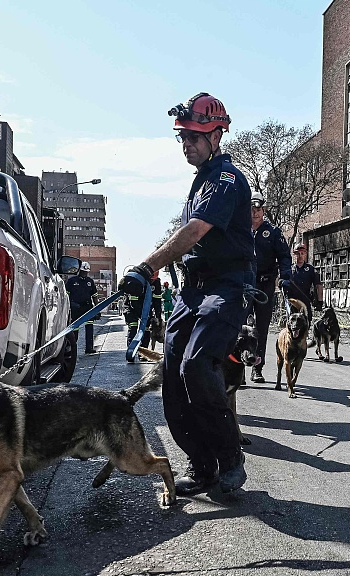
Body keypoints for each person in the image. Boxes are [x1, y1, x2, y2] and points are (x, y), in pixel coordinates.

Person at [118, 92, 252, 496]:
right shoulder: (200, 184)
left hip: (226, 289)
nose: (186, 145)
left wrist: (146, 266)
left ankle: (230, 459)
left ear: (216, 135)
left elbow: (194, 232)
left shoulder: (225, 180)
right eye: (182, 138)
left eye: (194, 137)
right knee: (173, 378)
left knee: (197, 365)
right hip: (191, 293)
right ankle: (201, 464)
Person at [249, 191, 291, 383]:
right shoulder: (239, 230)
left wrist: (285, 276)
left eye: (258, 209)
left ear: (263, 211)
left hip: (265, 284)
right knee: (239, 325)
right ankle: (238, 366)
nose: (255, 213)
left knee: (261, 328)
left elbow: (284, 256)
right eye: (252, 209)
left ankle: (257, 367)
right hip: (244, 284)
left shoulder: (272, 232)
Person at [123, 274, 162, 360]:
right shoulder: (136, 281)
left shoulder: (157, 283)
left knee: (147, 329)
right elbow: (133, 302)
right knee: (133, 327)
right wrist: (143, 316)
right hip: (131, 308)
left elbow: (157, 301)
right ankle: (131, 352)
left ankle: (143, 354)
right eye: (150, 280)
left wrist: (158, 317)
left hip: (146, 308)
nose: (151, 282)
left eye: (153, 280)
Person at [65, 261, 99, 354]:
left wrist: (97, 309)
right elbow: (66, 296)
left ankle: (89, 348)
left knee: (89, 327)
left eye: (86, 272)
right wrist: (68, 308)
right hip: (75, 307)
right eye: (83, 271)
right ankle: (72, 349)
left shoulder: (90, 282)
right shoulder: (72, 281)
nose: (84, 273)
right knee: (74, 329)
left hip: (87, 307)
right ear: (79, 270)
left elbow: (94, 296)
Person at [284, 243, 324, 318]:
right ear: (294, 255)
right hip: (292, 302)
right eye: (297, 253)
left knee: (306, 324)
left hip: (305, 301)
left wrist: (320, 301)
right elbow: (280, 281)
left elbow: (319, 285)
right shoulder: (289, 269)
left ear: (305, 254)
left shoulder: (310, 269)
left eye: (302, 253)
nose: (300, 256)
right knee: (292, 325)